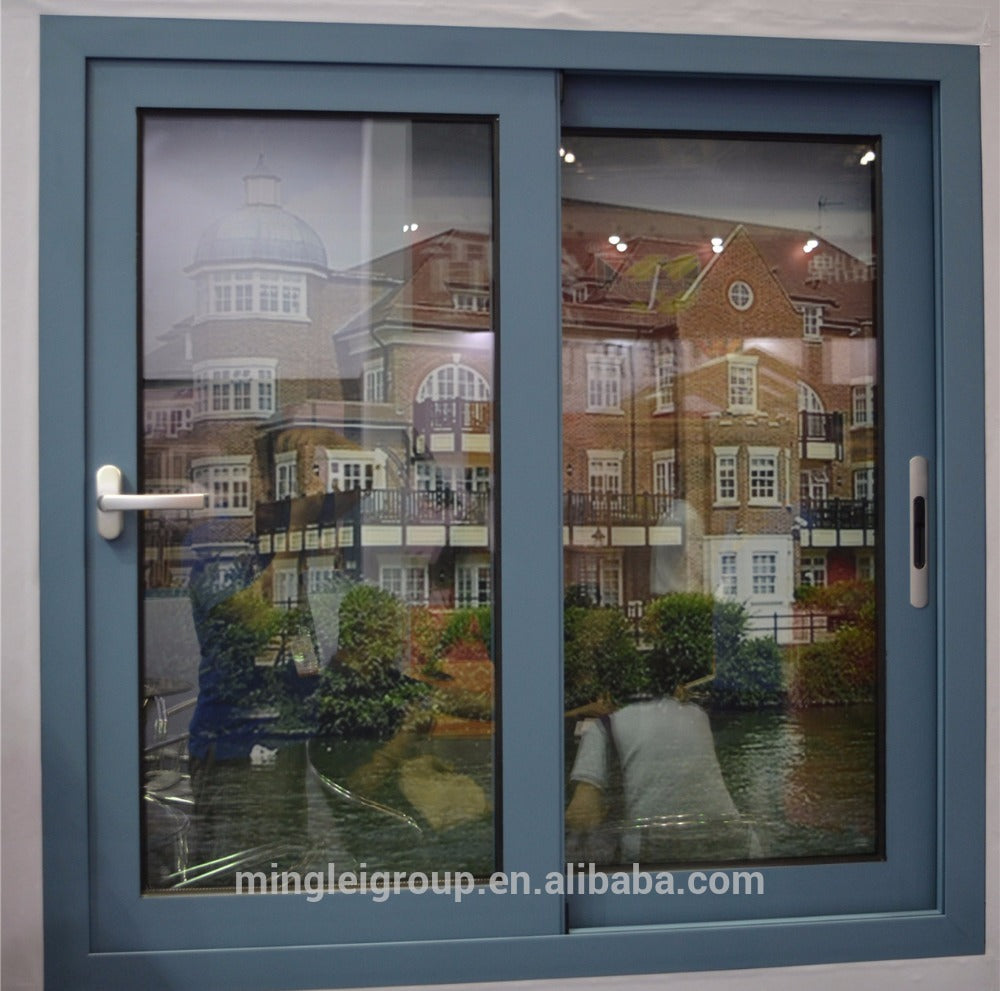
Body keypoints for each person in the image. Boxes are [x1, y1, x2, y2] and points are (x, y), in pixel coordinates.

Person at [566, 648, 754, 865]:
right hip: (738, 848)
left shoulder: (604, 728)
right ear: (675, 689)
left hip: (656, 856)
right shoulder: (697, 716)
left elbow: (583, 817)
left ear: (608, 694)